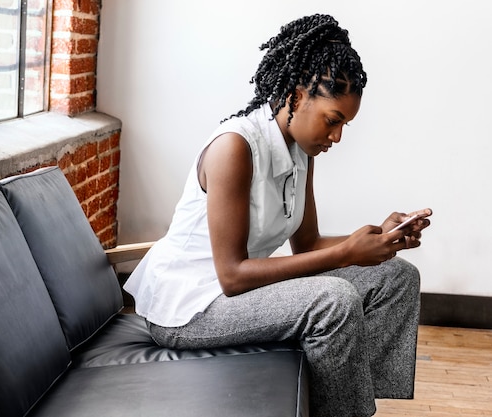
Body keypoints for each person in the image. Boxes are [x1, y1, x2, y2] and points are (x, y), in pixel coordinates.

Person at [124, 13, 432, 417]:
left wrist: (376, 237)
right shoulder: (234, 148)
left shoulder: (301, 152)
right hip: (189, 309)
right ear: (297, 96)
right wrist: (347, 254)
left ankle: (349, 404)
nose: (337, 136)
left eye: (345, 125)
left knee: (396, 277)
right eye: (333, 120)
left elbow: (307, 245)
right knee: (333, 299)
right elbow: (232, 276)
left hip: (234, 295)